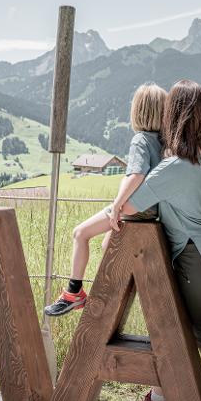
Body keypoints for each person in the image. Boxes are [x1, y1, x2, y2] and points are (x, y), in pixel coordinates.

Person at [117, 79, 201, 401]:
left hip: (193, 258)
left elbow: (129, 206)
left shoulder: (173, 167)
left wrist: (115, 207)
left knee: (196, 335)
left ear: (174, 116)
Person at [44, 83, 167, 316]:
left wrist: (117, 205)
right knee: (106, 245)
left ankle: (74, 293)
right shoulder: (163, 141)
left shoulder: (141, 140)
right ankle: (113, 290)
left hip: (134, 209)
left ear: (138, 110)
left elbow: (136, 175)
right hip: (152, 210)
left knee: (80, 233)